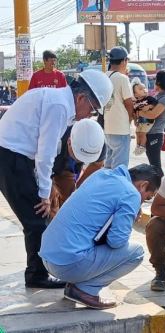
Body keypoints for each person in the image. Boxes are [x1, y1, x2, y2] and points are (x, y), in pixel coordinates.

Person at [0, 70, 112, 289]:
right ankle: (36, 276)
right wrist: (44, 194)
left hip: (15, 155)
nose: (89, 115)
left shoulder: (59, 101)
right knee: (36, 219)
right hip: (11, 157)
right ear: (81, 98)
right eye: (91, 109)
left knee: (37, 220)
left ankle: (38, 272)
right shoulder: (60, 106)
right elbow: (45, 153)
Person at [39, 164, 161, 309]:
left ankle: (77, 283)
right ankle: (85, 291)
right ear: (143, 185)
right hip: (67, 265)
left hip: (47, 256)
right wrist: (129, 217)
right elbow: (117, 241)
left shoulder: (101, 175)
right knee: (137, 253)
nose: (143, 201)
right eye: (148, 197)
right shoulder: (131, 194)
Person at [49, 119, 106, 219]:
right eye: (78, 157)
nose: (80, 160)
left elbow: (97, 165)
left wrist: (79, 187)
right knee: (49, 201)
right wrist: (49, 186)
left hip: (68, 165)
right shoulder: (55, 138)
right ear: (69, 142)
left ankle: (64, 221)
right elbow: (38, 166)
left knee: (70, 199)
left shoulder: (98, 142)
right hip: (51, 163)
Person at [137, 69, 165, 175]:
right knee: (152, 164)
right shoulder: (158, 96)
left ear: (159, 83)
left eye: (156, 80)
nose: (154, 83)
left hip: (155, 135)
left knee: (155, 166)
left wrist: (138, 112)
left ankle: (159, 187)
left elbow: (152, 114)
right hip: (150, 134)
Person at [103, 46, 134, 169]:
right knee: (120, 168)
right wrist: (131, 119)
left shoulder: (104, 76)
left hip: (108, 128)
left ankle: (107, 187)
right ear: (124, 61)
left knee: (108, 166)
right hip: (121, 129)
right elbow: (128, 103)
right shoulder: (122, 78)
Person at [132, 81, 157, 156]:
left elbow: (155, 103)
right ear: (135, 94)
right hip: (140, 121)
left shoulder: (149, 98)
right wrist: (135, 120)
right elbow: (135, 113)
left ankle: (142, 146)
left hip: (148, 120)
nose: (144, 90)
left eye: (144, 88)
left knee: (143, 133)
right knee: (137, 133)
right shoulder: (136, 103)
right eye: (140, 89)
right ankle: (138, 145)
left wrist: (149, 106)